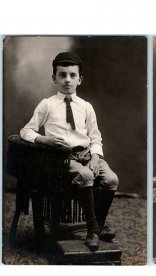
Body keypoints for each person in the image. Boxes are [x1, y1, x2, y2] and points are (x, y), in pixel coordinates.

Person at [20, 52, 119, 250]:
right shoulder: (47, 104)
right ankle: (92, 229)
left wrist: (95, 156)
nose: (67, 80)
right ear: (54, 78)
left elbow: (95, 137)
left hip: (87, 154)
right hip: (61, 159)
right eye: (62, 75)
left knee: (111, 179)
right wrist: (43, 139)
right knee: (85, 175)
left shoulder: (86, 107)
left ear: (79, 79)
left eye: (72, 75)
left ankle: (99, 224)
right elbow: (26, 131)